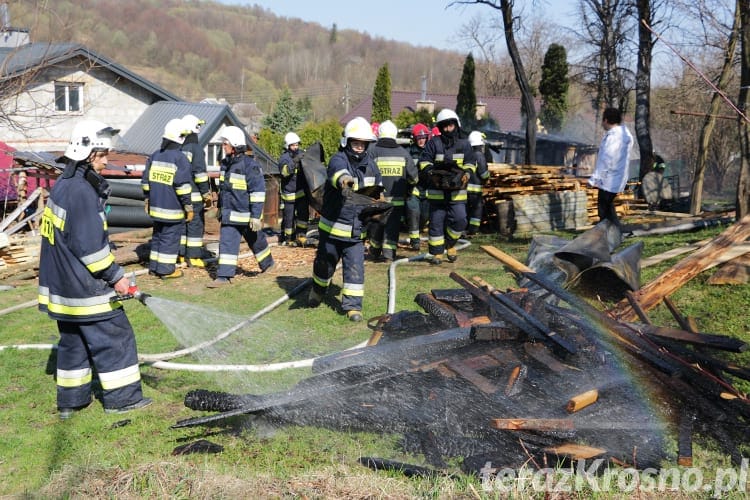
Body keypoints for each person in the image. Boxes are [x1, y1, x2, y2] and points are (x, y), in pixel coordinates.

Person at [38, 120, 151, 419]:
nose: (106, 161)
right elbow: (91, 250)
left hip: (62, 291)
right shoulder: (82, 194)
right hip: (85, 290)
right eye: (102, 155)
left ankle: (71, 403)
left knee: (73, 342)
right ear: (88, 153)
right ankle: (123, 400)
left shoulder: (63, 186)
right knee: (116, 336)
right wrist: (116, 278)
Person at [308, 116, 382, 322]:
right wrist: (344, 180)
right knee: (324, 265)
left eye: (362, 143)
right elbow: (337, 172)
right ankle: (318, 290)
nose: (359, 147)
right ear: (347, 142)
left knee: (355, 268)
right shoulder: (338, 159)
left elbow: (376, 191)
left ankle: (352, 307)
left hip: (357, 231)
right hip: (332, 229)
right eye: (355, 143)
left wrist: (379, 205)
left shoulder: (372, 167)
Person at [207, 126, 275, 287]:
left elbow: (257, 192)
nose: (223, 147)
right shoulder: (225, 164)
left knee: (256, 240)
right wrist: (220, 210)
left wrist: (256, 216)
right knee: (227, 242)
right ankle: (224, 276)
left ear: (235, 145)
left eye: (225, 144)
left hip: (246, 215)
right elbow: (225, 190)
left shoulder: (250, 166)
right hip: (230, 215)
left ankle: (268, 264)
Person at [418, 109, 476, 264]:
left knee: (460, 220)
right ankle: (437, 253)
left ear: (456, 125)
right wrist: (430, 172)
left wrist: (467, 174)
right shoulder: (433, 143)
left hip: (457, 193)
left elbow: (471, 162)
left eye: (450, 126)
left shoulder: (464, 145)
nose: (448, 129)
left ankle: (450, 244)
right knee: (436, 223)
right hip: (437, 192)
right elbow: (424, 161)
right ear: (440, 127)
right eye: (444, 127)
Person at [142, 118, 194, 279]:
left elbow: (145, 182)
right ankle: (166, 269)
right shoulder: (180, 158)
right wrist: (189, 207)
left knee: (157, 236)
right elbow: (182, 187)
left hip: (156, 209)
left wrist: (147, 199)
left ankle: (154, 267)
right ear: (180, 137)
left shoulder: (155, 156)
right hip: (173, 210)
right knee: (169, 239)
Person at [366, 120, 418, 261]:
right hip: (397, 200)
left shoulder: (371, 150)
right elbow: (413, 178)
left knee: (376, 224)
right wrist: (408, 190)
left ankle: (375, 251)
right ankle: (389, 255)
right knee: (392, 227)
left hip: (376, 199)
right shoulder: (403, 153)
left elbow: (365, 174)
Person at [588, 107, 633, 227]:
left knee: (604, 210)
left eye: (603, 121)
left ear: (606, 120)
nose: (602, 124)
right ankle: (614, 231)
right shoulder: (625, 134)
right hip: (618, 176)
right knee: (608, 207)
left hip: (609, 178)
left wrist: (594, 179)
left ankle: (609, 234)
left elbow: (606, 160)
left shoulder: (613, 137)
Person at [180, 114, 213, 267]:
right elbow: (199, 174)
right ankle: (193, 257)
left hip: (179, 195)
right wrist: (206, 193)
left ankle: (180, 254)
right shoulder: (196, 148)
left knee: (181, 224)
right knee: (195, 224)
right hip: (193, 196)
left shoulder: (178, 147)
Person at [277, 131, 310, 247]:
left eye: (297, 145)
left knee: (303, 216)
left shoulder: (301, 154)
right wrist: (295, 162)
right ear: (287, 146)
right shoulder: (284, 158)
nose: (295, 147)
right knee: (289, 218)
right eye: (293, 145)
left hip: (301, 193)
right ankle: (288, 238)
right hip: (289, 195)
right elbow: (284, 172)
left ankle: (301, 237)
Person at [405, 123, 431, 250]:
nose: (421, 140)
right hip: (413, 189)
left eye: (423, 137)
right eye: (419, 138)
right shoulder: (409, 152)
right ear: (414, 139)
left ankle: (418, 231)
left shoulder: (431, 151)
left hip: (427, 190)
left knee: (425, 216)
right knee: (414, 212)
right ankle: (415, 241)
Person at [466, 131, 490, 236]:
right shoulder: (479, 155)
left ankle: (465, 229)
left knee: (467, 210)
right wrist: (487, 177)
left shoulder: (467, 154)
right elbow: (483, 173)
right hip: (475, 190)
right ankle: (473, 231)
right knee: (477, 209)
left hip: (464, 189)